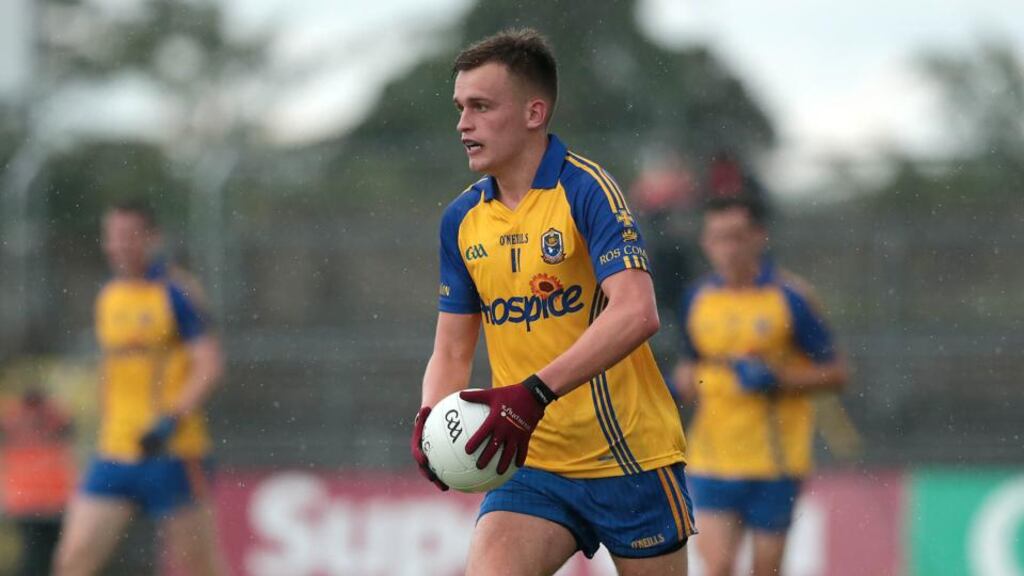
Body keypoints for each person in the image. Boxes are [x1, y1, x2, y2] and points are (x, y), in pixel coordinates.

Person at [409, 29, 694, 575]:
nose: (462, 123)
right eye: (460, 107)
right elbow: (450, 348)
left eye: (481, 106)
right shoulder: (461, 221)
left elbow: (637, 312)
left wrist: (532, 394)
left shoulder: (587, 190)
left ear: (534, 112)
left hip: (629, 457)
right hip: (530, 462)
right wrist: (430, 416)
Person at [671, 195, 849, 576]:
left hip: (775, 462)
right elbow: (694, 367)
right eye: (718, 238)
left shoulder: (790, 298)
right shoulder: (696, 299)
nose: (727, 249)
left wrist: (778, 379)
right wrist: (684, 382)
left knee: (765, 570)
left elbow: (836, 373)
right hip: (712, 458)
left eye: (736, 237)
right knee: (717, 566)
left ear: (758, 237)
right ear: (706, 243)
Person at [53, 200, 228, 576]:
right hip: (115, 451)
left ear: (153, 238)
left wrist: (170, 421)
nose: (119, 245)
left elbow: (209, 364)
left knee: (200, 568)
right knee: (73, 560)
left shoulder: (176, 293)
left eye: (129, 236)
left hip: (174, 452)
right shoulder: (109, 297)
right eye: (113, 237)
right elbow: (111, 372)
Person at [0, 387, 76, 576]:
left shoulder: (11, 416)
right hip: (48, 500)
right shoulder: (55, 415)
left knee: (36, 556)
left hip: (29, 499)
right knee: (48, 557)